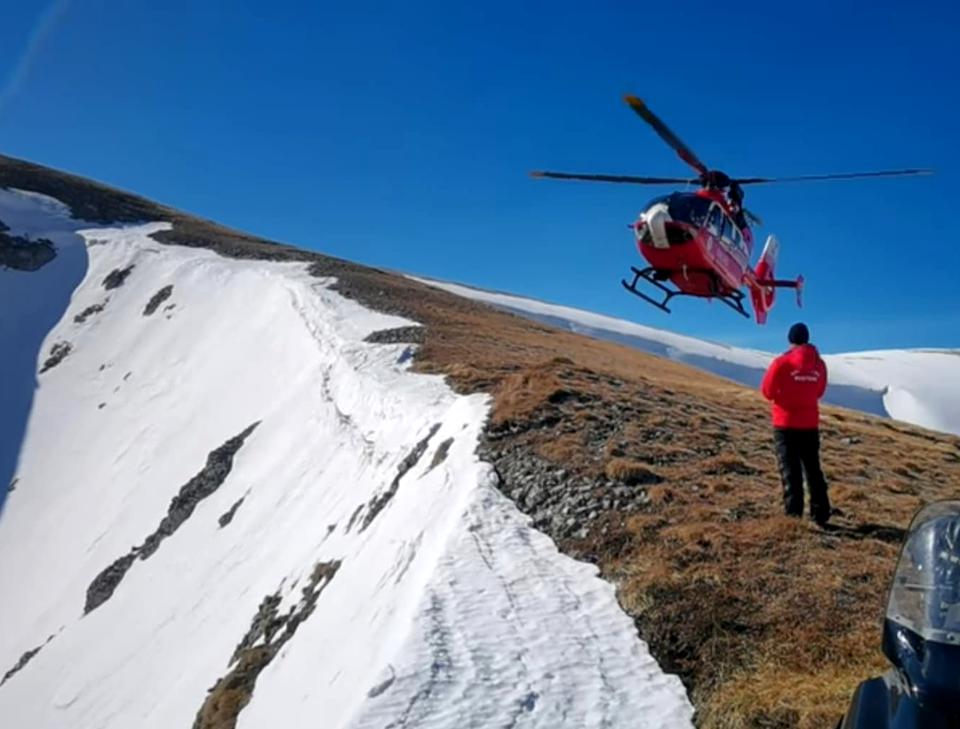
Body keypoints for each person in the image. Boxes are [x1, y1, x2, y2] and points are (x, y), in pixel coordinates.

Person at [760, 322, 830, 525]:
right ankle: (821, 513)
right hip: (810, 424)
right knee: (813, 469)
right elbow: (819, 391)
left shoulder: (781, 363)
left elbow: (767, 391)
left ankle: (793, 516)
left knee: (790, 471)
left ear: (790, 340)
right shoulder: (819, 364)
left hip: (785, 423)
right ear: (807, 339)